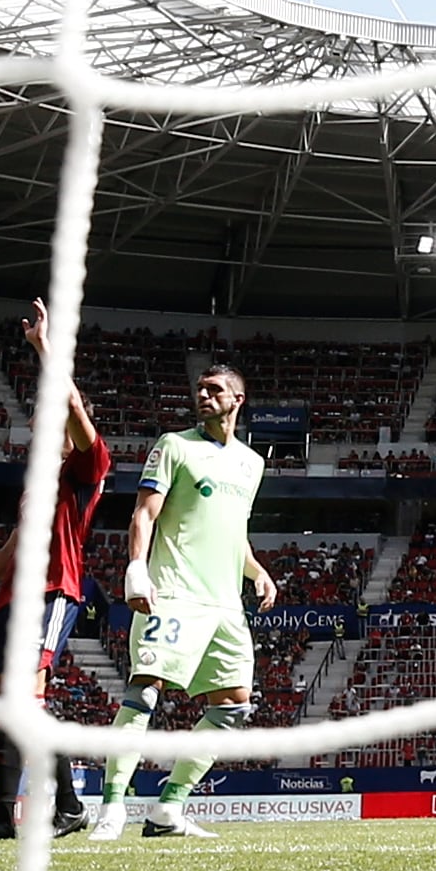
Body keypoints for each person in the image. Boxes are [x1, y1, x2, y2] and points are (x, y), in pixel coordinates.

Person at [0, 305, 114, 843]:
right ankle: (4, 818)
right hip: (10, 599)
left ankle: (67, 804)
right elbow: (9, 553)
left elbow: (71, 403)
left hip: (53, 591)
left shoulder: (86, 469)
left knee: (28, 698)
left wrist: (44, 348)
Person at [85, 353, 271, 844]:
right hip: (173, 594)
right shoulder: (174, 447)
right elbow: (144, 515)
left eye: (214, 388)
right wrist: (135, 569)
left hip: (226, 605)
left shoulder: (252, 463)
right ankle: (111, 809)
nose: (203, 395)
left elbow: (233, 531)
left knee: (234, 706)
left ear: (237, 398)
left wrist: (256, 571)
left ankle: (169, 808)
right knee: (144, 691)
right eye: (200, 389)